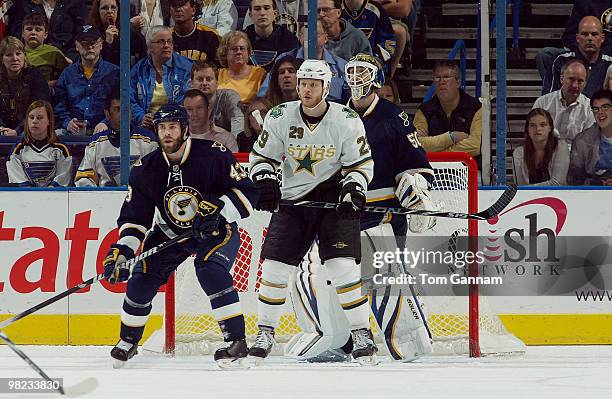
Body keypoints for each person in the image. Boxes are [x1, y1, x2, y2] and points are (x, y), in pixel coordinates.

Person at [285, 53, 435, 363]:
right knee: (326, 275)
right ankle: (338, 340)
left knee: (382, 278)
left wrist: (416, 192)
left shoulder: (395, 118)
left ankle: (409, 342)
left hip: (383, 214)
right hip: (341, 213)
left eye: (362, 71)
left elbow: (416, 166)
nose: (355, 76)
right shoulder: (336, 115)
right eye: (350, 70)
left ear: (376, 77)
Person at [102, 103, 258, 368]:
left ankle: (236, 341)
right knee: (141, 277)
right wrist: (122, 251)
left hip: (215, 230)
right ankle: (128, 341)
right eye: (162, 128)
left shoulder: (214, 155)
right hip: (170, 233)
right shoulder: (145, 169)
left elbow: (248, 193)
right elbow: (135, 219)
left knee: (209, 270)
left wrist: (218, 211)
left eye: (172, 127)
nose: (167, 133)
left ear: (185, 129)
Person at [248, 59, 377, 365]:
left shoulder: (346, 119)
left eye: (313, 84)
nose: (306, 89)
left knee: (343, 267)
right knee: (274, 270)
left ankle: (361, 333)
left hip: (334, 203)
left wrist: (354, 189)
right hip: (294, 202)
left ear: (326, 87)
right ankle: (265, 332)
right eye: (303, 83)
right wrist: (265, 180)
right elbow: (261, 157)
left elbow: (359, 165)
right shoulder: (280, 116)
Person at [75, 87, 158, 187]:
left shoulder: (148, 140)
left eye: (126, 109)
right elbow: (84, 179)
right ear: (107, 114)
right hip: (104, 200)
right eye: (117, 109)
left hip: (139, 200)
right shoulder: (96, 143)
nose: (123, 114)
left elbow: (156, 178)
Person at [257, 20, 350, 103]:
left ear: (325, 38)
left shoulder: (341, 66)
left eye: (315, 35)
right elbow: (264, 94)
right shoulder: (284, 60)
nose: (310, 39)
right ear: (300, 38)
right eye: (305, 35)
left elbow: (350, 98)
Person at [413, 60, 482, 167]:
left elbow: (474, 146)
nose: (442, 81)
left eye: (446, 77)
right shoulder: (424, 110)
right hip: (433, 170)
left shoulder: (476, 107)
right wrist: (451, 138)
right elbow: (418, 144)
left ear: (458, 82)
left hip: (468, 170)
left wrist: (436, 153)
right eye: (437, 78)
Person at [54, 25, 119, 135]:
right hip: (73, 130)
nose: (90, 47)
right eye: (84, 43)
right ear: (77, 46)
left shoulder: (114, 73)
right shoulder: (67, 74)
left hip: (105, 128)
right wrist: (67, 122)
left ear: (101, 44)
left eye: (93, 43)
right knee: (56, 135)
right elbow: (59, 105)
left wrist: (106, 122)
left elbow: (119, 104)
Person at [130, 25, 193, 129]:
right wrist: (141, 117)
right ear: (150, 46)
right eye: (161, 42)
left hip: (176, 124)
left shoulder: (186, 67)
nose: (166, 45)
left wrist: (164, 118)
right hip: (145, 126)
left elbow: (187, 98)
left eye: (169, 41)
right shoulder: (138, 69)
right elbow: (129, 98)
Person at [6, 100, 72, 187]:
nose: (34, 121)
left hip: (54, 197)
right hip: (26, 197)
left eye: (40, 117)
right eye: (31, 117)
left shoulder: (61, 149)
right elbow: (19, 183)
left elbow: (62, 179)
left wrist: (46, 195)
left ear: (49, 121)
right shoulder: (18, 150)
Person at [542, 16, 612, 98]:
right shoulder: (560, 61)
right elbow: (548, 100)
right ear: (577, 38)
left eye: (594, 34)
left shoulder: (610, 64)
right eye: (584, 34)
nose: (589, 38)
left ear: (602, 38)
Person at [532, 59, 596, 145]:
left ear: (585, 84)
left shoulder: (590, 108)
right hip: (546, 153)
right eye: (571, 79)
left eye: (580, 81)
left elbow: (587, 144)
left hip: (575, 156)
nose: (575, 85)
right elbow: (534, 134)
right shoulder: (542, 103)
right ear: (561, 79)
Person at [0, 36, 51, 137]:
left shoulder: (35, 76)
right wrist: (1, 128)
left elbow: (41, 108)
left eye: (18, 54)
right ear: (1, 59)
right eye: (9, 55)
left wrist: (17, 130)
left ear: (25, 56)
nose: (15, 58)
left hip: (29, 126)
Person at [7, 0, 87, 61]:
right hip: (32, 55)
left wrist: (69, 57)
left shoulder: (74, 2)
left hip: (67, 54)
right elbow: (16, 34)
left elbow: (82, 33)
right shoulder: (24, 4)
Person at [513, 108, 570, 186]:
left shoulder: (561, 146)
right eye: (533, 125)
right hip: (528, 197)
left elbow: (558, 183)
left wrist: (529, 189)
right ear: (527, 129)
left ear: (550, 128)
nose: (538, 129)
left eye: (542, 125)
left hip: (556, 196)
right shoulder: (518, 152)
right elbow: (519, 185)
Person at [568, 90, 612, 186]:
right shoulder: (582, 141)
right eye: (596, 109)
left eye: (605, 107)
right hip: (593, 193)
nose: (600, 112)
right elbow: (573, 178)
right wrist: (599, 184)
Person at [191, 61, 243, 137]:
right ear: (191, 83)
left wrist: (232, 146)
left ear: (217, 82)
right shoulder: (187, 102)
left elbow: (238, 125)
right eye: (200, 79)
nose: (205, 83)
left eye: (209, 79)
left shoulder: (229, 97)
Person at [244, 0, 300, 71]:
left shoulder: (289, 39)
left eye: (267, 8)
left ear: (275, 14)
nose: (262, 13)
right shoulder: (242, 39)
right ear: (250, 15)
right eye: (257, 9)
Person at [88, 0, 147, 65]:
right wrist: (107, 43)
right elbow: (93, 65)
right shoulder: (90, 34)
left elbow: (142, 63)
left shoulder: (132, 34)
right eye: (104, 8)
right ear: (97, 12)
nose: (110, 11)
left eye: (113, 7)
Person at [21, 12, 71, 90]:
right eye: (29, 29)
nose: (33, 33)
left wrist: (48, 84)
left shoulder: (54, 52)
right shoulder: (16, 52)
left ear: (45, 35)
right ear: (23, 33)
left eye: (38, 30)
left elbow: (67, 77)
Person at [341, 0, 396, 67]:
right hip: (341, 63)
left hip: (371, 63)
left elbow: (389, 41)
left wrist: (376, 59)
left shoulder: (376, 9)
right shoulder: (334, 8)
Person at [217, 31, 266, 103]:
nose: (239, 52)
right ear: (225, 53)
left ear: (248, 52)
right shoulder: (218, 74)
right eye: (234, 49)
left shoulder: (260, 73)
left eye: (242, 48)